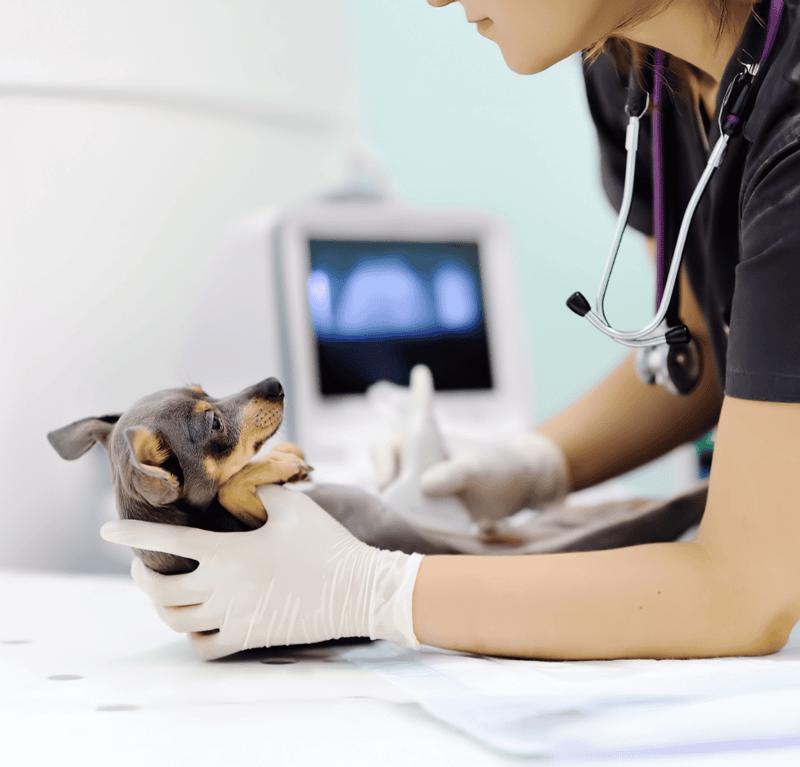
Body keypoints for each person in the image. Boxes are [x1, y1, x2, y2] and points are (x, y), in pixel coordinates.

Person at [102, 0, 800, 662]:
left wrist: (372, 592)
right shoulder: (633, 66)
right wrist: (533, 464)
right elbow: (709, 353)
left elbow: (744, 589)